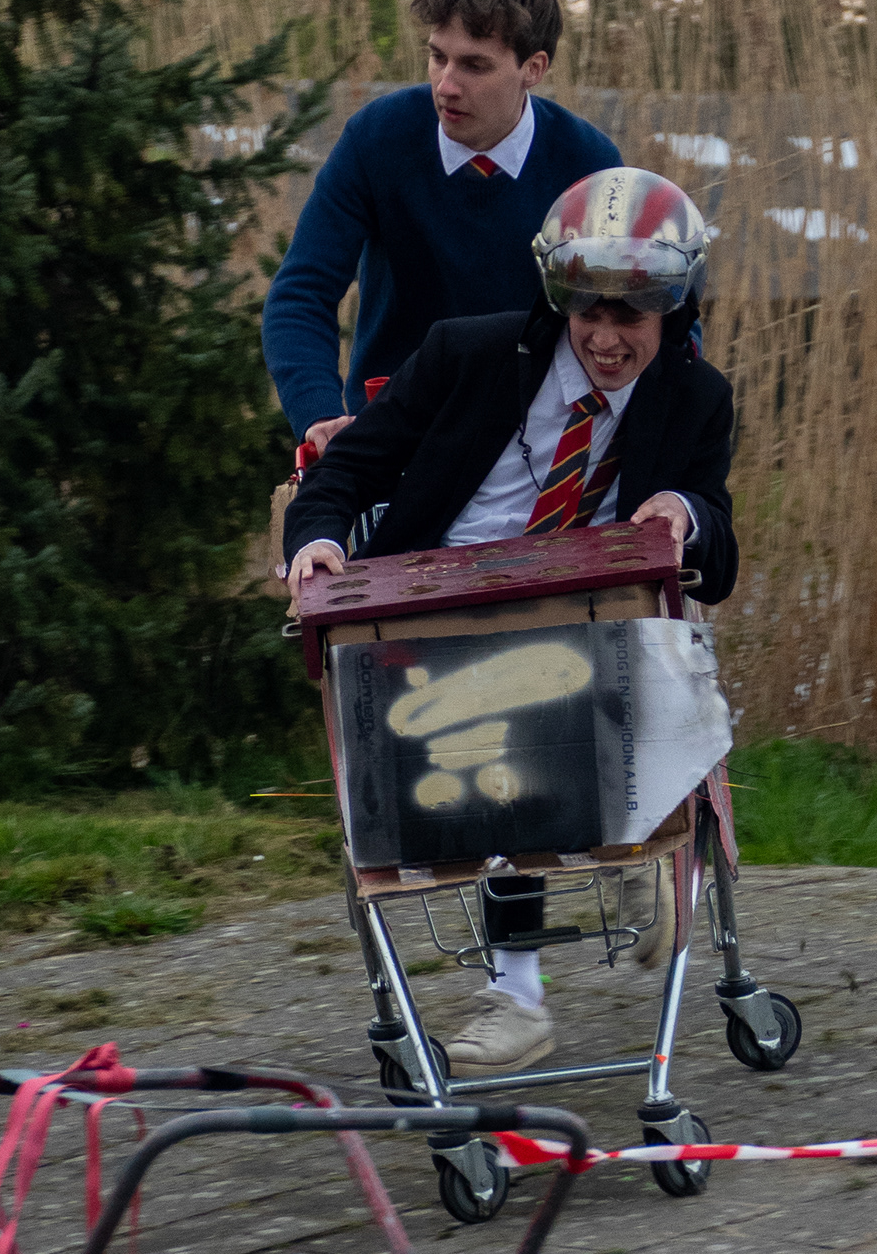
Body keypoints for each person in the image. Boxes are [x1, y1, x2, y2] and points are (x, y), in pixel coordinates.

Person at [286, 168, 736, 1076]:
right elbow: (348, 470)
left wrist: (686, 510)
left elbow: (718, 561)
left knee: (571, 686)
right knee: (502, 725)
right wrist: (319, 542)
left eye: (632, 316)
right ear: (559, 299)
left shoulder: (695, 396)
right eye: (589, 312)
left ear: (674, 311)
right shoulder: (467, 355)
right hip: (441, 617)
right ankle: (527, 983)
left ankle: (627, 855)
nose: (606, 338)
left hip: (588, 628)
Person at [262, 0, 620, 462]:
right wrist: (319, 415)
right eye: (437, 57)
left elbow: (653, 316)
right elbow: (301, 292)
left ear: (533, 69)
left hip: (535, 445)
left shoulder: (588, 164)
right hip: (393, 432)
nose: (446, 85)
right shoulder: (377, 138)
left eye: (474, 65)